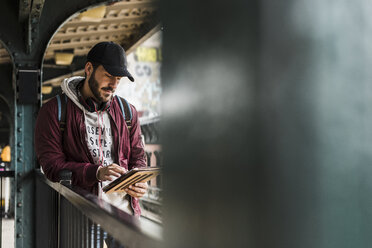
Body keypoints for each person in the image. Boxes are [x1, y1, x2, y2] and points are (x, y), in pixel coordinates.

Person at [34, 42, 148, 244]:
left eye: (118, 79)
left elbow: (138, 157)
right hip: (81, 214)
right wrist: (96, 172)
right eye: (109, 75)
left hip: (124, 214)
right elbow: (52, 166)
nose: (113, 84)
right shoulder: (53, 111)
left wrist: (139, 180)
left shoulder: (128, 111)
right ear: (89, 69)